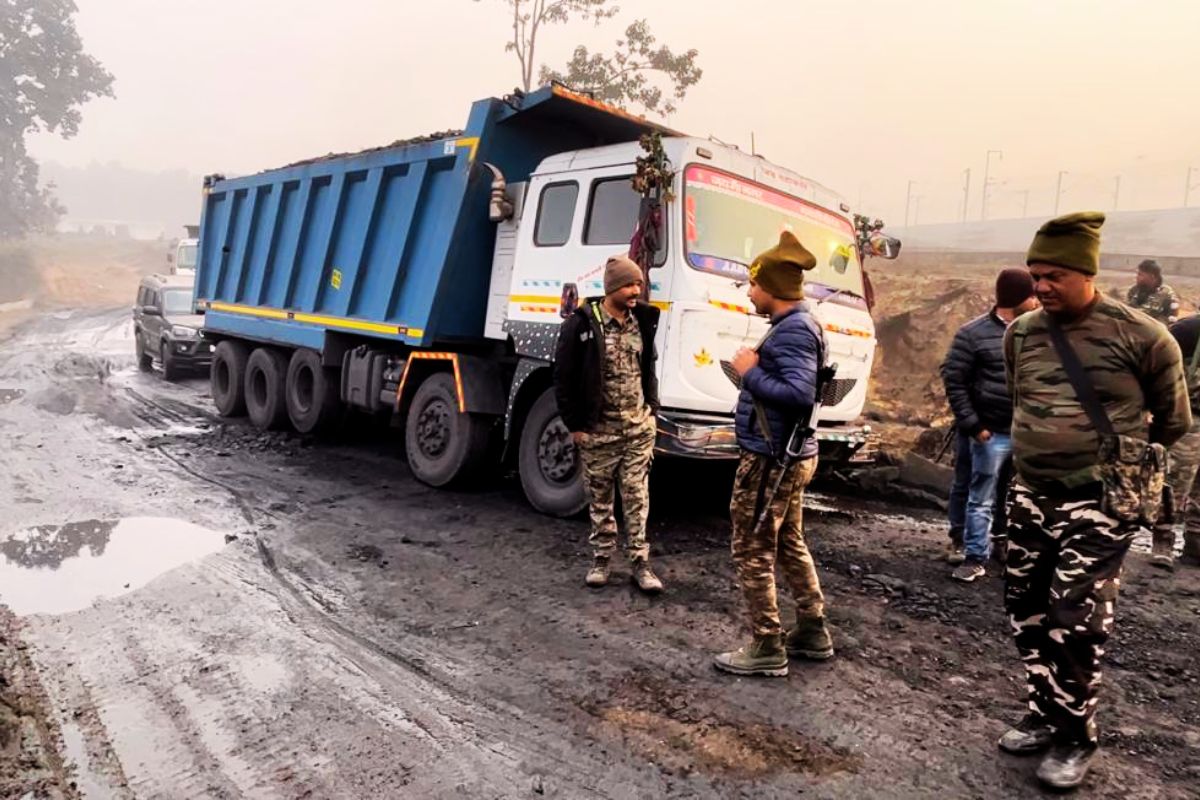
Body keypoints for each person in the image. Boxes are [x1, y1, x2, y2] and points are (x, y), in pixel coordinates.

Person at [1001, 212, 1191, 790]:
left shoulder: (1144, 336)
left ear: (1087, 272)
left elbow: (1174, 421)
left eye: (1055, 274)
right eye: (1036, 274)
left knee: (1076, 620)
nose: (1042, 286)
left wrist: (1113, 466)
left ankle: (1074, 737)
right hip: (1030, 494)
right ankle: (1044, 710)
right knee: (1026, 608)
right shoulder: (1023, 334)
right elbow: (1021, 401)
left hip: (1099, 504)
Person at [713, 231, 833, 678]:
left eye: (754, 283)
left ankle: (766, 645)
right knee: (789, 541)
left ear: (773, 288)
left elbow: (799, 395)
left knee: (752, 547)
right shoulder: (800, 325)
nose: (750, 291)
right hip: (790, 454)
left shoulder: (793, 331)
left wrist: (749, 373)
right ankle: (812, 630)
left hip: (770, 460)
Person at [553, 255, 663, 594]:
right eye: (630, 285)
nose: (636, 291)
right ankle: (601, 560)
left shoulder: (642, 321)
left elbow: (649, 368)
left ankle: (641, 565)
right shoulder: (583, 324)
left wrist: (652, 411)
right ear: (613, 287)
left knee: (636, 497)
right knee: (600, 498)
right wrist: (575, 425)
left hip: (637, 428)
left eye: (638, 285)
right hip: (599, 431)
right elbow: (563, 377)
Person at [939, 268, 1039, 582]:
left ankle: (1000, 542)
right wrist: (975, 426)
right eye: (1033, 294)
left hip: (1023, 434)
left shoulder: (1039, 333)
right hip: (989, 433)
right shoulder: (973, 334)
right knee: (976, 492)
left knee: (1010, 495)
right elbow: (955, 381)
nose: (1038, 300)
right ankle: (972, 555)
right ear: (1018, 298)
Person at [1150, 311, 1200, 570]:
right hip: (1190, 420)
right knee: (1174, 483)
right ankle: (1163, 542)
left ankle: (1194, 544)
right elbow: (1158, 365)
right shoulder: (1189, 329)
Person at [1124, 258, 1179, 325]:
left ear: (1152, 277)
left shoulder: (1165, 292)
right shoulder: (1134, 290)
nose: (1137, 277)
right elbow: (1127, 308)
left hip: (1158, 329)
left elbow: (1147, 313)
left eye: (1140, 274)